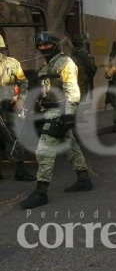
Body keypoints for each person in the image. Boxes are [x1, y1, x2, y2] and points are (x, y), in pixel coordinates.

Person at [20, 32, 92, 210]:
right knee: (71, 147)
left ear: (55, 45)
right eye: (41, 46)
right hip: (50, 110)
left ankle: (41, 192)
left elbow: (72, 90)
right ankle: (84, 179)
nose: (44, 48)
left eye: (47, 45)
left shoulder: (65, 62)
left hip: (60, 111)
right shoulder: (46, 66)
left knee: (44, 151)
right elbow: (46, 91)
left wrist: (68, 116)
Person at [0, 34, 35, 181]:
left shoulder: (12, 63)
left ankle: (20, 170)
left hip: (8, 106)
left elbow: (23, 82)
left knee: (14, 138)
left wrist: (21, 100)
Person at [70, 34, 97, 121]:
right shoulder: (84, 53)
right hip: (81, 80)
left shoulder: (69, 52)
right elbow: (91, 66)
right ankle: (78, 117)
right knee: (81, 99)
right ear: (82, 42)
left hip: (70, 79)